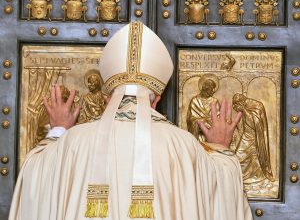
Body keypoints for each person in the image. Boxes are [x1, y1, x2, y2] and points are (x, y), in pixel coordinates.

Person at [9, 22, 252, 220]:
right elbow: (222, 187)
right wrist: (220, 148)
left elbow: (34, 176)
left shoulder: (73, 141)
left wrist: (59, 130)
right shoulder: (183, 144)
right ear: (156, 99)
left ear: (106, 99)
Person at [232, 93, 274, 184]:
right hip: (246, 135)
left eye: (236, 105)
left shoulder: (256, 105)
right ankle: (240, 178)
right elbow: (241, 124)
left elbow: (255, 124)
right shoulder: (244, 106)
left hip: (254, 137)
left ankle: (256, 176)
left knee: (246, 156)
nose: (234, 107)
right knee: (239, 156)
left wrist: (244, 110)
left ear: (241, 102)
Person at [187, 74, 220, 141]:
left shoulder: (215, 101)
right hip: (198, 137)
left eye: (213, 88)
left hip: (211, 136)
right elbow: (190, 119)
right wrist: (202, 123)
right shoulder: (195, 100)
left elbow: (218, 119)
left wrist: (207, 122)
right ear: (204, 87)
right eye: (210, 88)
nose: (213, 90)